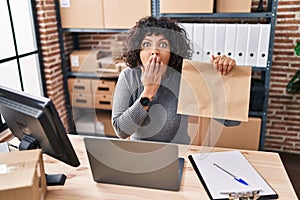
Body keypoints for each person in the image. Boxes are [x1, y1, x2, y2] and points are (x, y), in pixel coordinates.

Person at [112, 16, 240, 144]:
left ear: (172, 52)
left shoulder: (185, 77)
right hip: (140, 153)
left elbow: (232, 120)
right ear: (138, 51)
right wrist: (149, 92)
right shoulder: (129, 77)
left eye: (163, 44)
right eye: (146, 44)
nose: (154, 51)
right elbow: (121, 131)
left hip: (178, 153)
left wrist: (223, 77)